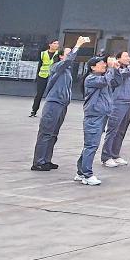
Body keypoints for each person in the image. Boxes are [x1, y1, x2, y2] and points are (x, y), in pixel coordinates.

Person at [30, 37, 90, 171]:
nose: (71, 56)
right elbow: (68, 60)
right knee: (46, 133)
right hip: (54, 103)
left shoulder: (66, 70)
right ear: (61, 56)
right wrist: (77, 45)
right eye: (67, 53)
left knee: (53, 134)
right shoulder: (57, 67)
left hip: (62, 104)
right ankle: (38, 161)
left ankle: (46, 159)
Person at [101, 43, 130, 168]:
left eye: (129, 56)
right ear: (118, 59)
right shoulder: (117, 70)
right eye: (125, 56)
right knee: (113, 130)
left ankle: (115, 154)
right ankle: (106, 156)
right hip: (119, 103)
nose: (128, 58)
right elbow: (126, 72)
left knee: (122, 130)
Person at [75, 55, 114, 186]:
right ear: (92, 67)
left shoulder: (101, 78)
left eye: (104, 64)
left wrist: (115, 68)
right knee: (91, 145)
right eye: (101, 64)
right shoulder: (91, 79)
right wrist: (111, 68)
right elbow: (106, 80)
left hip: (101, 115)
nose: (104, 65)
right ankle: (87, 174)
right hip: (94, 116)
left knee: (90, 145)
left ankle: (81, 172)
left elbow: (115, 81)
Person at [30, 40, 60, 117]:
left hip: (52, 76)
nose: (56, 45)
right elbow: (40, 64)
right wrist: (37, 75)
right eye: (54, 43)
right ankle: (34, 110)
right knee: (39, 94)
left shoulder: (59, 54)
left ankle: (50, 111)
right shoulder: (43, 53)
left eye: (57, 44)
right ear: (50, 44)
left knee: (51, 95)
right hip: (42, 76)